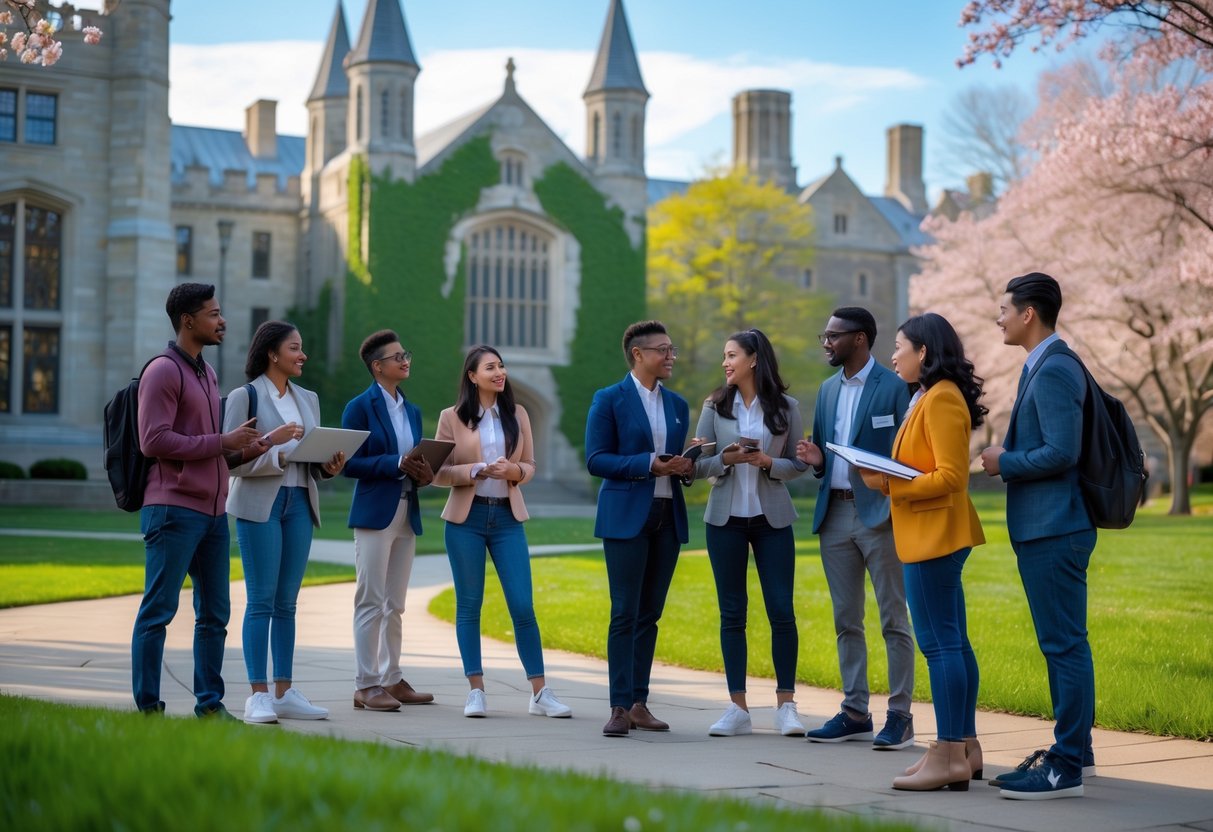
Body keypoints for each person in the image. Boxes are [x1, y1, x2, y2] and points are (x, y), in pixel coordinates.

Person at [854, 313, 987, 791]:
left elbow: (953, 477)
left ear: (924, 352)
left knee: (941, 644)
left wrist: (888, 482)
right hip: (930, 535)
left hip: (936, 538)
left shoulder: (943, 397)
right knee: (952, 641)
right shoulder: (926, 397)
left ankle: (949, 752)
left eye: (899, 346)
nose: (893, 356)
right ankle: (964, 748)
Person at [980, 272, 1096, 800]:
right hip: (1046, 526)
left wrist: (1005, 462)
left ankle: (1066, 762)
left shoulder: (1053, 368)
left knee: (1064, 643)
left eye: (1004, 309)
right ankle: (1078, 754)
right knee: (1061, 643)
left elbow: (1061, 451)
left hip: (1056, 526)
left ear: (1029, 313)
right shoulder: (1043, 364)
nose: (998, 317)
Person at [132, 282, 261, 717]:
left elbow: (209, 446)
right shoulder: (163, 371)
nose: (222, 321)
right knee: (159, 611)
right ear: (188, 321)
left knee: (214, 615)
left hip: (212, 514)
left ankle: (210, 705)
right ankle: (148, 708)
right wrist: (221, 439)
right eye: (213, 313)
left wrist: (244, 450)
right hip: (172, 508)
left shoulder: (206, 373)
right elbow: (153, 440)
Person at [795, 307, 916, 749]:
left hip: (881, 515)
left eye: (833, 335)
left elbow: (910, 452)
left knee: (893, 619)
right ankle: (854, 711)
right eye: (824, 335)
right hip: (835, 515)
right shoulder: (826, 390)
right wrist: (817, 462)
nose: (825, 342)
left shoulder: (896, 387)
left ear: (860, 339)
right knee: (847, 619)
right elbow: (829, 452)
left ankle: (900, 715)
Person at [433, 345, 572, 719]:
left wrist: (513, 472)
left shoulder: (519, 413)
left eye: (501, 366)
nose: (500, 372)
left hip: (508, 520)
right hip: (467, 520)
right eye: (490, 367)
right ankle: (475, 690)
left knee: (523, 606)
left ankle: (540, 693)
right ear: (472, 376)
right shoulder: (451, 417)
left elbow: (529, 465)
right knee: (469, 606)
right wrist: (474, 470)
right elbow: (438, 471)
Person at [225, 321, 346, 725]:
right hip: (261, 502)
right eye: (295, 348)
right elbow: (228, 460)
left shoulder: (308, 398)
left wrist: (329, 466)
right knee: (261, 600)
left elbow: (311, 460)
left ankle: (284, 690)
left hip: (299, 502)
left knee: (287, 603)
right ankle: (257, 695)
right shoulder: (245, 396)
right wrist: (272, 447)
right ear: (272, 353)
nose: (302, 355)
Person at [692, 329, 809, 737]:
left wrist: (765, 462)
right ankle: (737, 707)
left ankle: (786, 706)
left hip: (771, 520)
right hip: (724, 521)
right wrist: (722, 459)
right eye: (725, 356)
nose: (725, 363)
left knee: (781, 611)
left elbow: (799, 463)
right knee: (732, 613)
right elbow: (695, 466)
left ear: (754, 359)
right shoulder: (713, 406)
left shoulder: (787, 408)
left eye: (732, 355)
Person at [586, 320, 694, 737]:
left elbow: (680, 462)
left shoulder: (679, 405)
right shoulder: (609, 399)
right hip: (626, 516)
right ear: (638, 354)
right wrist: (649, 463)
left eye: (672, 350)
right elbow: (596, 459)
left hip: (668, 517)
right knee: (624, 613)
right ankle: (617, 706)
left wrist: (687, 465)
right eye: (663, 350)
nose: (671, 357)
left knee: (650, 614)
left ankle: (639, 703)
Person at [341, 330, 435, 712]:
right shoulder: (359, 407)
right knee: (371, 599)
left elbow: (414, 459)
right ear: (378, 366)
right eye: (398, 357)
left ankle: (392, 679)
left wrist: (424, 472)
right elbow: (347, 463)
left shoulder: (411, 411)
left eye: (406, 354)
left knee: (394, 603)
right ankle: (366, 684)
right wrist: (394, 463)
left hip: (406, 509)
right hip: (374, 512)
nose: (405, 360)